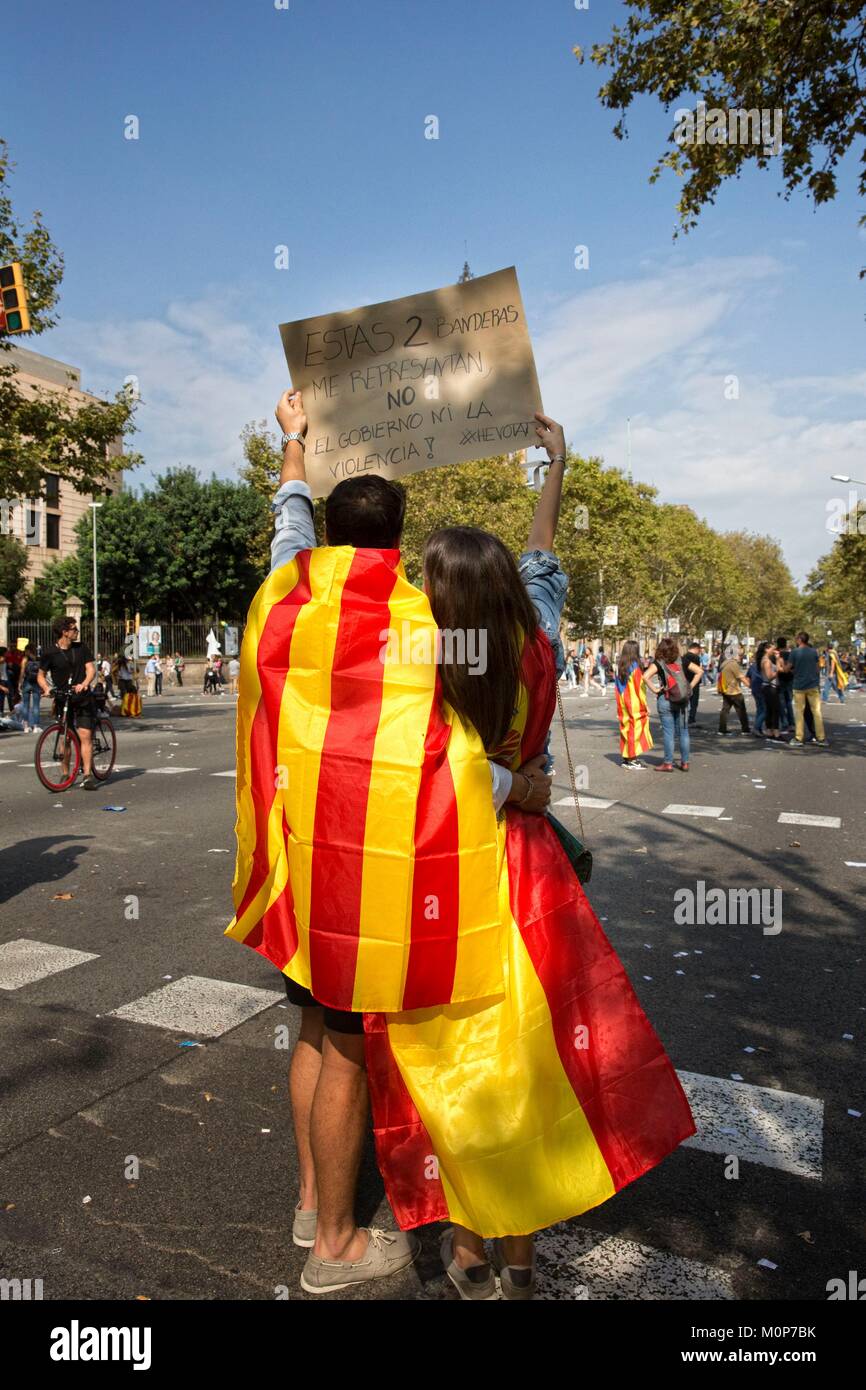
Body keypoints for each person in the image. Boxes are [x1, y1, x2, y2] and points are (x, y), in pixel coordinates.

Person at [226, 388, 553, 1296]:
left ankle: (310, 1203)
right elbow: (451, 759)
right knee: (349, 1052)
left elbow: (287, 517)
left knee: (311, 1032)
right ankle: (335, 1246)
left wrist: (293, 441)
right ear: (398, 544)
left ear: (330, 533)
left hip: (297, 870)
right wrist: (521, 783)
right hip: (373, 888)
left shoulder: (283, 592)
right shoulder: (424, 624)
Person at [365, 417, 695, 1299]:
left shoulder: (417, 660)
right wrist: (556, 467)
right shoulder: (539, 637)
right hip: (533, 874)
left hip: (449, 875)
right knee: (530, 1060)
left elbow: (428, 765)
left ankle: (469, 1245)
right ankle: (518, 1256)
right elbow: (542, 560)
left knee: (461, 1066)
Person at [36, 618, 97, 788]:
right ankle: (65, 774)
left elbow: (91, 669)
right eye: (74, 629)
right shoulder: (49, 652)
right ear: (64, 632)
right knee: (65, 738)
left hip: (82, 697)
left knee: (85, 735)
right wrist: (47, 689)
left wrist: (84, 684)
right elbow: (40, 675)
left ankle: (87, 775)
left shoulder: (81, 648)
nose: (77, 631)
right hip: (63, 698)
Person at [644, 637, 699, 771]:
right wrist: (689, 687)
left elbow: (645, 677)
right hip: (683, 700)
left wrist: (656, 690)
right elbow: (700, 672)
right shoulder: (683, 660)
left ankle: (668, 763)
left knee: (669, 732)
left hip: (666, 699)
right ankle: (685, 762)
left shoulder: (658, 663)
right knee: (684, 731)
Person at [614, 639, 653, 769]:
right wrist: (645, 705)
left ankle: (626, 758)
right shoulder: (635, 667)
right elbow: (639, 688)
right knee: (635, 730)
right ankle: (632, 759)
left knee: (626, 729)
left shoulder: (620, 666)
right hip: (634, 703)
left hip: (622, 703)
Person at [789, 632, 828, 747]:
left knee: (799, 712)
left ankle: (799, 738)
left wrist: (790, 670)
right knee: (816, 712)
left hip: (799, 686)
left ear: (800, 639)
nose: (796, 640)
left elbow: (787, 668)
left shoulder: (795, 652)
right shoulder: (814, 652)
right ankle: (821, 738)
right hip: (812, 685)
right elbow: (817, 669)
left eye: (796, 638)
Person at [716, 644, 751, 735]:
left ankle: (722, 729)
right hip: (734, 691)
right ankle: (745, 729)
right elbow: (741, 677)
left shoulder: (725, 663)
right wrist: (751, 686)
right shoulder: (733, 664)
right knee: (741, 710)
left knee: (725, 710)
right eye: (739, 655)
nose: (741, 657)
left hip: (726, 690)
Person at [758, 641, 783, 740]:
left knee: (770, 710)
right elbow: (769, 676)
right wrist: (777, 671)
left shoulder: (767, 659)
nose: (774, 650)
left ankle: (770, 730)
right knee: (775, 710)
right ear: (766, 649)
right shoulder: (766, 661)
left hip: (769, 687)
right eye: (772, 649)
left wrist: (777, 660)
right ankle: (775, 731)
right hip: (770, 687)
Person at [19, 643, 42, 733]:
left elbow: (22, 672)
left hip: (27, 683)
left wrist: (19, 683)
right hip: (36, 683)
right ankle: (35, 727)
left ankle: (26, 727)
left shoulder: (25, 659)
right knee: (36, 706)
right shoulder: (38, 659)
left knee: (26, 705)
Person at [775, 636, 794, 730]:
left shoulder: (776, 655)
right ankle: (792, 723)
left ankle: (784, 722)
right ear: (786, 644)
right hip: (790, 679)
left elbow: (777, 668)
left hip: (780, 680)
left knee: (781, 702)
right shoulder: (791, 654)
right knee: (789, 702)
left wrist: (782, 669)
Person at [683, 639, 703, 726]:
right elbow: (698, 671)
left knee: (685, 701)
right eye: (699, 650)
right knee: (694, 702)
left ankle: (683, 717)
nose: (699, 652)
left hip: (684, 681)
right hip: (694, 681)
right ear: (696, 649)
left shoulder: (683, 657)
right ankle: (691, 718)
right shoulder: (695, 657)